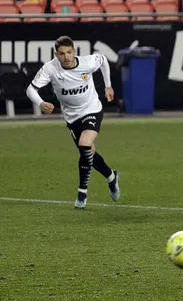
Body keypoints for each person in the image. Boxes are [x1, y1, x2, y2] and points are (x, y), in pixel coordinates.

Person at [25, 36, 121, 209]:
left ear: (74, 51)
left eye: (69, 52)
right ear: (56, 54)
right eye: (62, 54)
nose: (67, 57)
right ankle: (111, 176)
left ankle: (82, 193)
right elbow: (31, 89)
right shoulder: (50, 69)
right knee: (89, 153)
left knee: (85, 144)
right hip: (72, 117)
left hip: (92, 109)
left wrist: (108, 85)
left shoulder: (87, 62)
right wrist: (40, 103)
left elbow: (103, 60)